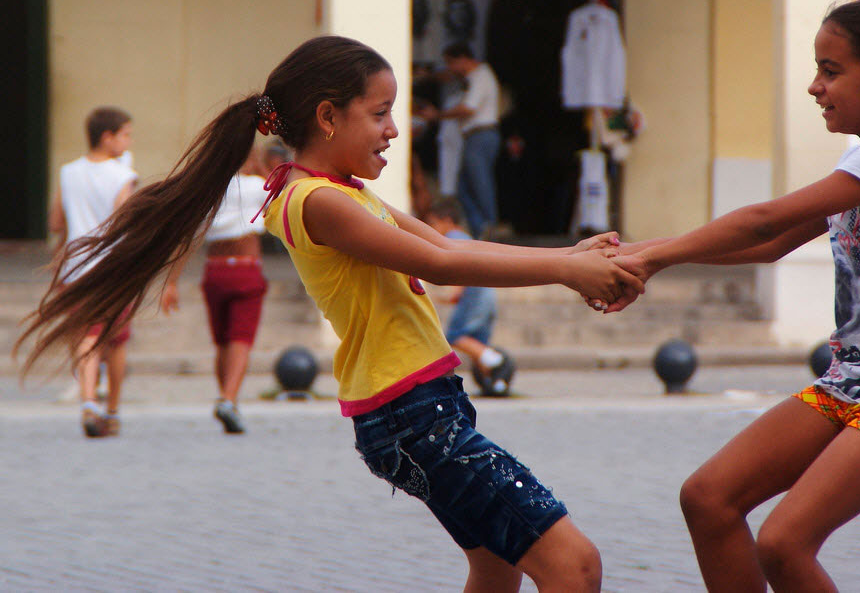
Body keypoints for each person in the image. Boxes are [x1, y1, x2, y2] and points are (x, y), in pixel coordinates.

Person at [16, 35, 643, 591]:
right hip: (411, 415)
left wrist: (568, 255)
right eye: (380, 113)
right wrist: (565, 270)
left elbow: (446, 244)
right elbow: (443, 266)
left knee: (497, 569)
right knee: (575, 567)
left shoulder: (343, 193)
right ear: (327, 116)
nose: (394, 130)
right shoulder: (317, 202)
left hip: (422, 407)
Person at [603, 0, 860, 591]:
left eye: (831, 71)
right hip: (851, 384)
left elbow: (763, 221)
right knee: (708, 498)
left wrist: (651, 258)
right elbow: (773, 244)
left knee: (783, 544)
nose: (814, 87)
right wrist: (641, 254)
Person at [160, 146, 269, 433]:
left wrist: (172, 282)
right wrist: (262, 167)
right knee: (241, 339)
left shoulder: (211, 190)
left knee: (221, 342)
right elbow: (280, 195)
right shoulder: (256, 186)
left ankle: (226, 398)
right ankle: (228, 399)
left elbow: (188, 239)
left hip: (215, 270)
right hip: (246, 268)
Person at [47, 106, 137, 438]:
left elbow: (56, 223)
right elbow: (125, 224)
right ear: (107, 137)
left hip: (75, 268)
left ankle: (87, 400)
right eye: (125, 134)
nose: (128, 141)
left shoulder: (68, 172)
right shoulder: (123, 176)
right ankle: (112, 410)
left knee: (86, 335)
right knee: (116, 340)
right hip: (111, 269)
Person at [424, 196, 513, 396]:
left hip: (474, 296)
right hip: (486, 295)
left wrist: (455, 291)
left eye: (433, 224)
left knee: (455, 335)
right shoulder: (466, 236)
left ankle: (496, 361)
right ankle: (495, 381)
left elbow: (460, 265)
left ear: (447, 220)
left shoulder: (452, 237)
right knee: (477, 340)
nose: (432, 229)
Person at [420, 42, 500, 239]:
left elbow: (468, 108)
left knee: (480, 183)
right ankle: (480, 227)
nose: (451, 68)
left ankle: (491, 225)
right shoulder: (472, 78)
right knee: (463, 187)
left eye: (451, 63)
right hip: (474, 137)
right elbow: (446, 76)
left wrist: (437, 115)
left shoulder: (481, 76)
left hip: (481, 135)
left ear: (463, 59)